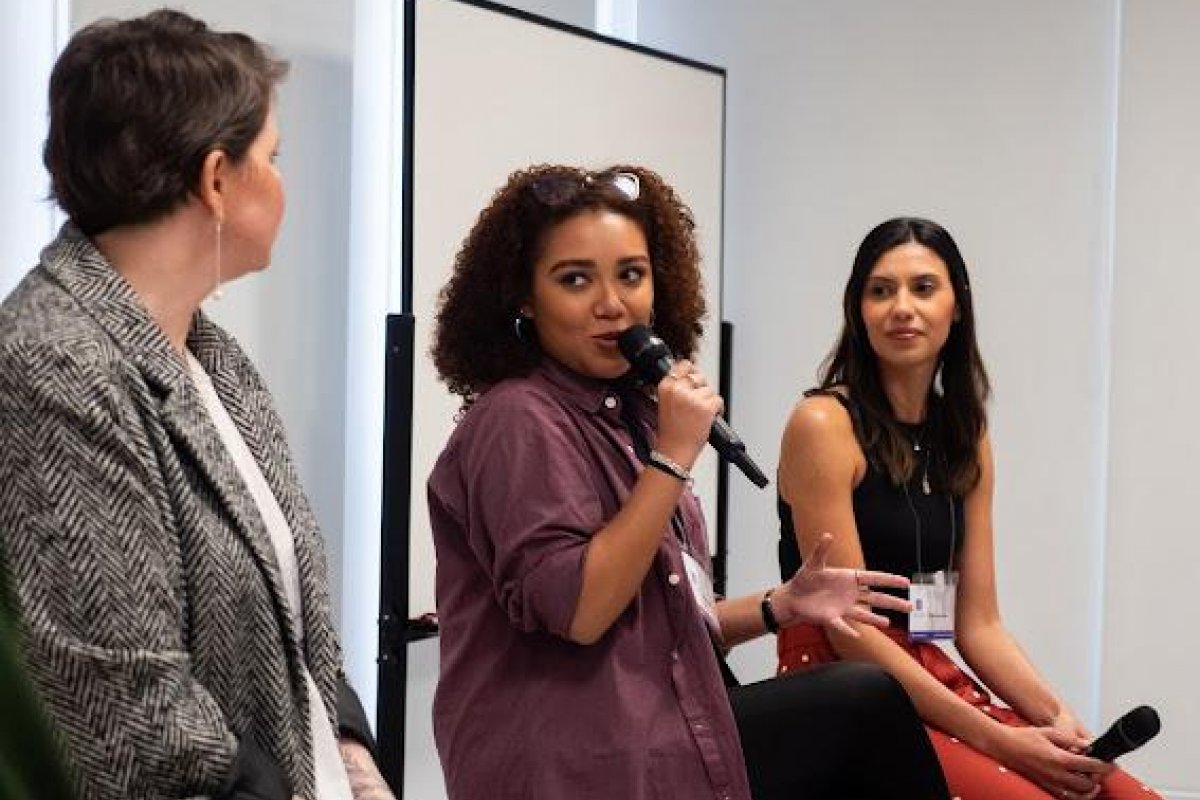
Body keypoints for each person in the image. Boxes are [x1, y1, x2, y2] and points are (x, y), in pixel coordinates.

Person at [427, 165, 951, 799]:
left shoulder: (632, 415)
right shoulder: (517, 420)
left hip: (660, 739)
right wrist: (673, 458)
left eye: (630, 275)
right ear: (523, 298)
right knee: (861, 700)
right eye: (574, 280)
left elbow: (661, 620)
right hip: (573, 765)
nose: (612, 304)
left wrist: (779, 606)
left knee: (864, 713)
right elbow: (581, 611)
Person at [0, 11, 392, 800]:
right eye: (272, 158)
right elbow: (130, 722)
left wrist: (352, 756)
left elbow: (293, 613)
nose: (283, 181)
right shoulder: (51, 365)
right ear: (217, 179)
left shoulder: (212, 356)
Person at [775, 217, 1161, 800]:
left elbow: (976, 625)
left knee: (1126, 795)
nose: (901, 307)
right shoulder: (823, 423)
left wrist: (1057, 721)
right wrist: (1001, 741)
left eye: (923, 288)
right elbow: (849, 629)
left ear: (957, 306)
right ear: (858, 311)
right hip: (840, 681)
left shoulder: (965, 436)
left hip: (925, 669)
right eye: (881, 291)